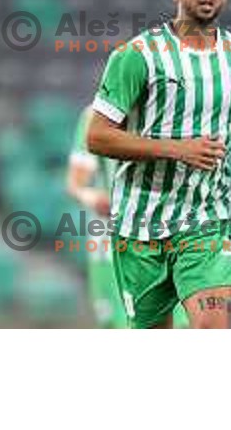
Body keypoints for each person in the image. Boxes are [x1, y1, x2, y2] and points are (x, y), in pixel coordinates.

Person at [87, 0, 231, 329]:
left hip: (206, 219)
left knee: (211, 325)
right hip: (140, 224)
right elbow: (98, 137)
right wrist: (178, 150)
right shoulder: (137, 55)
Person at [67, 105, 189, 328]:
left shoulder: (176, 109)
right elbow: (76, 184)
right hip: (113, 240)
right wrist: (94, 198)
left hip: (167, 235)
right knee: (121, 322)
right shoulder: (94, 117)